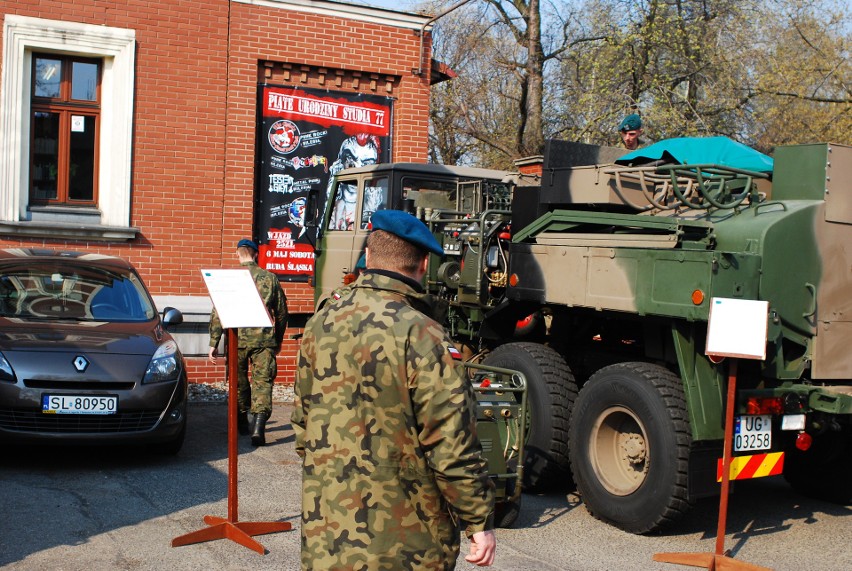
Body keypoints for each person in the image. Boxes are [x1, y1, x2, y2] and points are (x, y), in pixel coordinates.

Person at [292, 210, 496, 569]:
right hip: (403, 544)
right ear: (422, 266)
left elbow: (303, 425)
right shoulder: (423, 335)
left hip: (328, 533)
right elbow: (451, 444)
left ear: (368, 257)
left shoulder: (321, 320)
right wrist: (478, 520)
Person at [209, 239, 288, 446]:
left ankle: (242, 422)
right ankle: (258, 427)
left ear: (238, 254)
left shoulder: (230, 279)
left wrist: (214, 341)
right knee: (262, 382)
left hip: (236, 341)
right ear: (256, 254)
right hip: (263, 340)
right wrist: (277, 340)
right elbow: (281, 313)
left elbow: (218, 311)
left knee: (238, 382)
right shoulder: (270, 278)